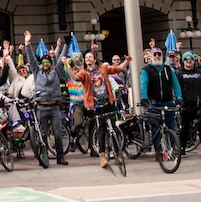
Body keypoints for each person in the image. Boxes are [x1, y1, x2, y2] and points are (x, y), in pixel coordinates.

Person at [73, 50, 130, 167]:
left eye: (90, 57)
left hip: (108, 102)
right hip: (97, 105)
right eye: (86, 57)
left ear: (94, 59)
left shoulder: (102, 68)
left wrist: (127, 61)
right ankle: (102, 156)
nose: (88, 59)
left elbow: (117, 69)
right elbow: (76, 78)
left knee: (113, 128)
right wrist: (67, 66)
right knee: (102, 129)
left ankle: (118, 154)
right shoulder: (84, 72)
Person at [25, 31, 69, 166]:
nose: (45, 64)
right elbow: (31, 59)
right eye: (43, 62)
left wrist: (67, 44)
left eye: (47, 62)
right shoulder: (37, 72)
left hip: (55, 105)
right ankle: (43, 155)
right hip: (42, 105)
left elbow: (62, 57)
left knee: (57, 132)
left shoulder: (56, 71)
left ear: (50, 63)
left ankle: (60, 156)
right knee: (42, 133)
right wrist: (28, 44)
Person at [140, 46, 182, 150]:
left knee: (171, 126)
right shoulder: (146, 70)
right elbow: (144, 84)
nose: (157, 56)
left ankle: (172, 148)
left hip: (168, 102)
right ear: (151, 56)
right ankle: (158, 150)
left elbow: (175, 84)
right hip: (154, 103)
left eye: (159, 55)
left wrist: (179, 97)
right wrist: (144, 97)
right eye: (155, 54)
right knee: (155, 129)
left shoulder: (168, 69)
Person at [176, 50, 201, 156]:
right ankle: (182, 148)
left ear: (194, 61)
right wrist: (179, 101)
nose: (189, 62)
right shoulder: (180, 73)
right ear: (183, 61)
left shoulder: (199, 73)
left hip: (198, 103)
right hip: (186, 104)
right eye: (186, 60)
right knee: (185, 126)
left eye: (191, 59)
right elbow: (176, 88)